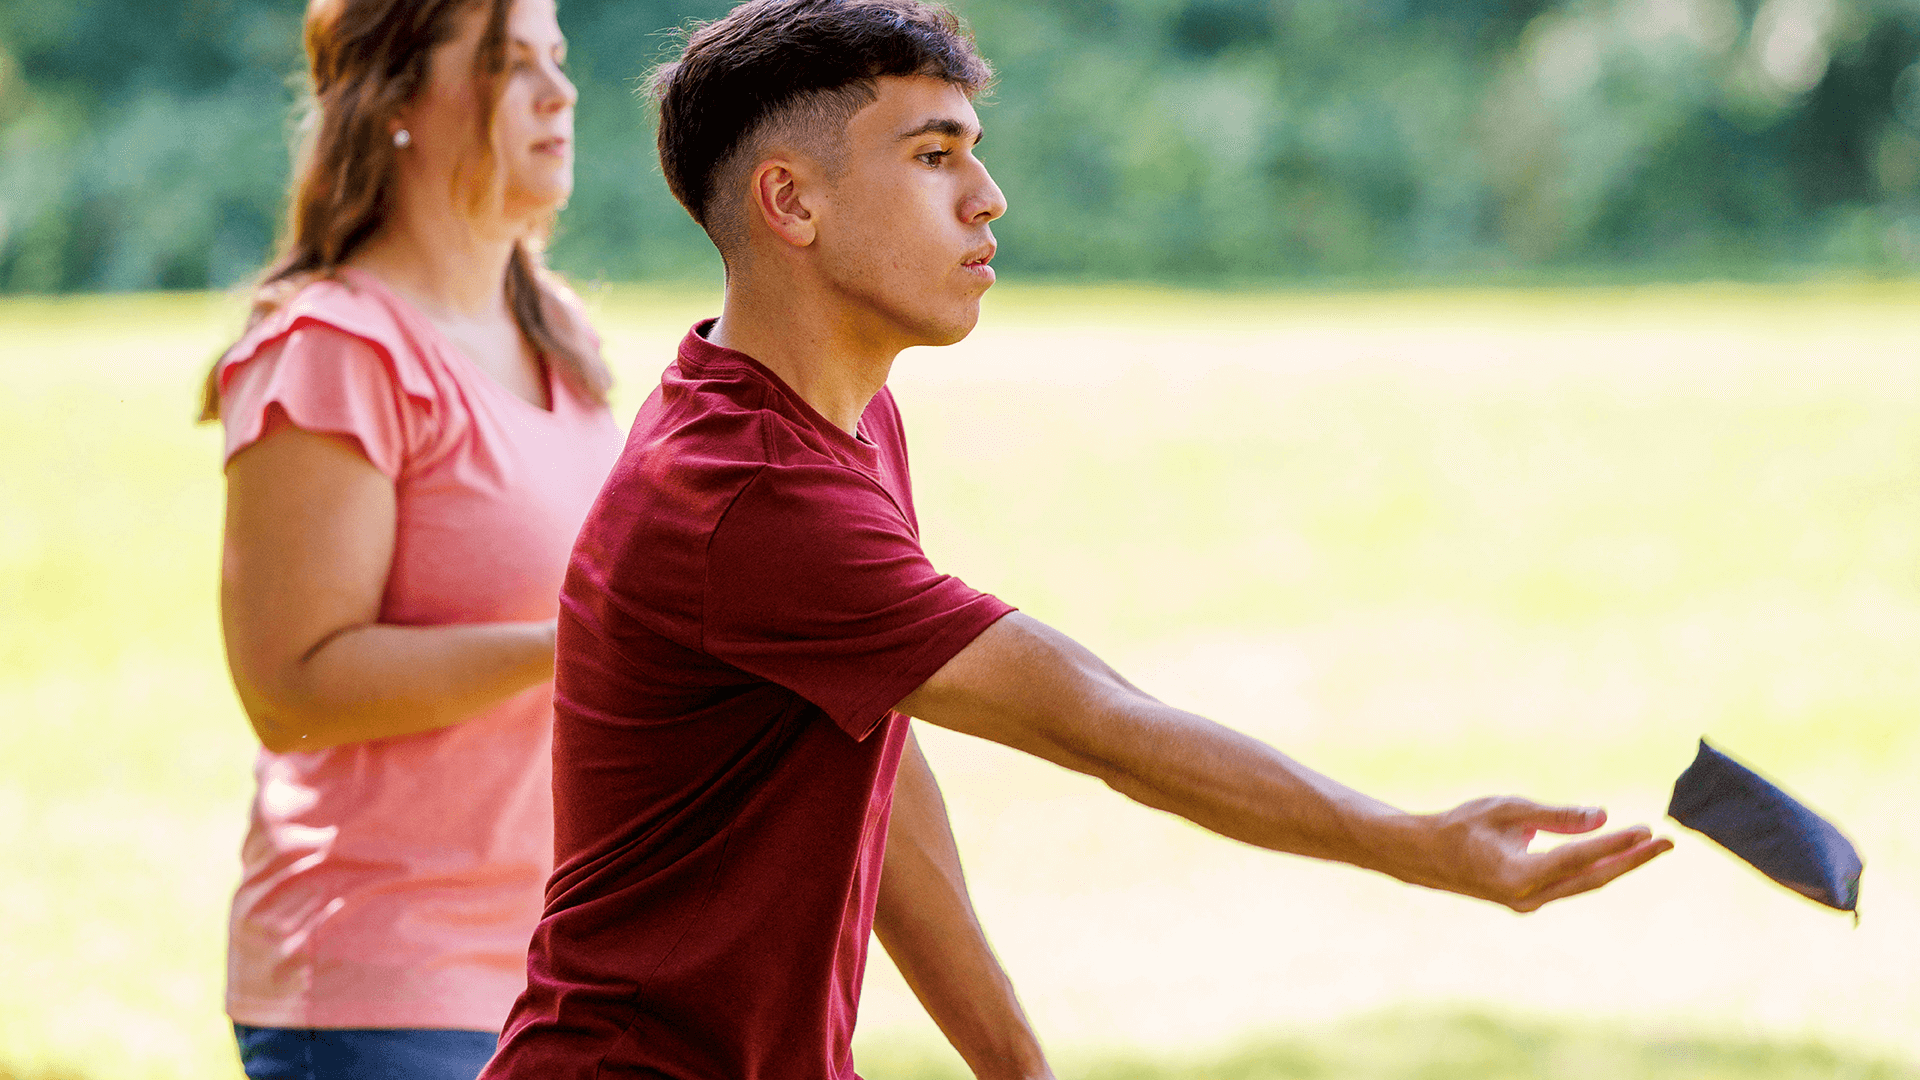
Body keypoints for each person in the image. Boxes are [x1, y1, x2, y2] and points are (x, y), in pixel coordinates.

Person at [481, 2, 1674, 1078]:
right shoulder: (748, 492)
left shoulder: (833, 423)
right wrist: (1414, 846)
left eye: (974, 155)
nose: (986, 197)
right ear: (790, 201)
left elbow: (874, 762)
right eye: (934, 156)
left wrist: (1013, 1062)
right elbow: (1102, 724)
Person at [201, 0, 622, 1076]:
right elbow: (292, 687)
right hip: (383, 986)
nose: (558, 92)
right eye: (506, 63)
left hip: (558, 968)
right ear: (394, 102)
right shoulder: (334, 349)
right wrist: (587, 642)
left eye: (557, 60)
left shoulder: (558, 337)